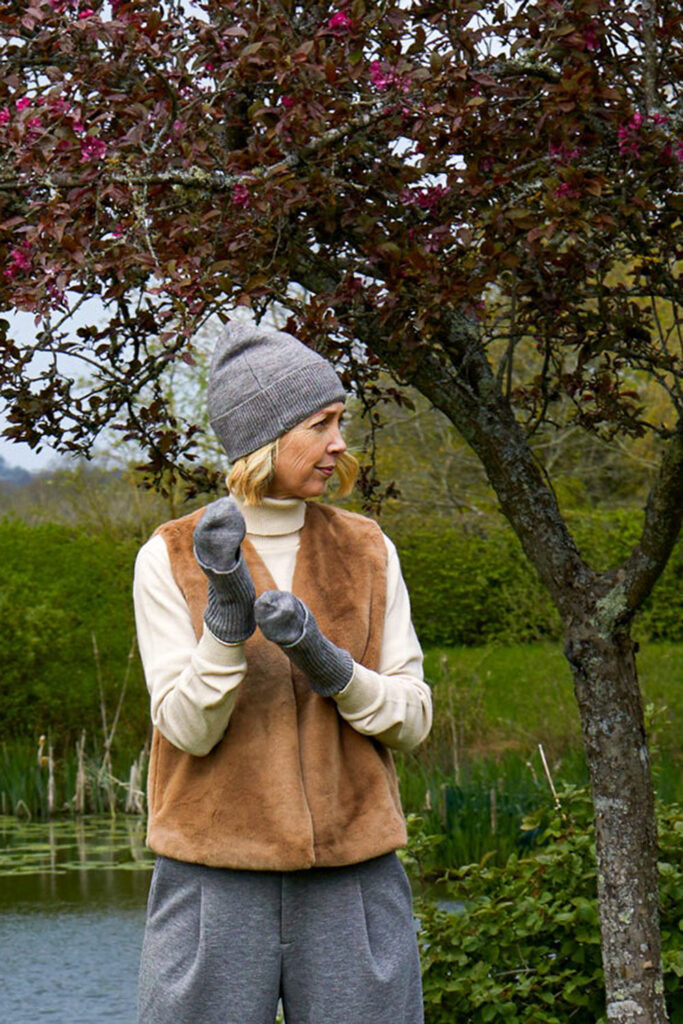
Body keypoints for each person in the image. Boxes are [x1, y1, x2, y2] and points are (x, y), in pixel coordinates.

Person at [133, 321, 433, 1024]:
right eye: (320, 424)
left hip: (353, 880)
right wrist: (226, 628)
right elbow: (185, 730)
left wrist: (330, 667)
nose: (339, 444)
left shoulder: (367, 548)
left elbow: (413, 719)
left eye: (340, 422)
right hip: (212, 880)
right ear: (265, 437)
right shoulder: (171, 556)